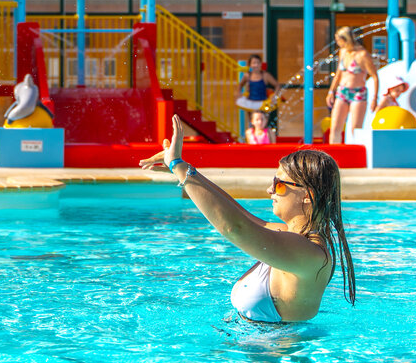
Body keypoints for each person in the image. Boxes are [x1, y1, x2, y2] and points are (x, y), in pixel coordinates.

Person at [142, 115, 356, 323]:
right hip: (252, 351)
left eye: (279, 184)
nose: (269, 190)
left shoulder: (309, 254)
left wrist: (178, 166)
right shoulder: (289, 236)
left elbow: (234, 227)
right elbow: (241, 215)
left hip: (276, 357)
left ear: (308, 196)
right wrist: (185, 171)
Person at [325, 26, 378, 144]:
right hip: (342, 91)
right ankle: (332, 157)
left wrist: (375, 98)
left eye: (338, 40)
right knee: (335, 128)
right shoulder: (343, 52)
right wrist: (331, 91)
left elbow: (375, 76)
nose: (337, 43)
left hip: (358, 93)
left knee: (355, 129)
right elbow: (339, 73)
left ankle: (355, 158)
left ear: (346, 39)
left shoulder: (362, 55)